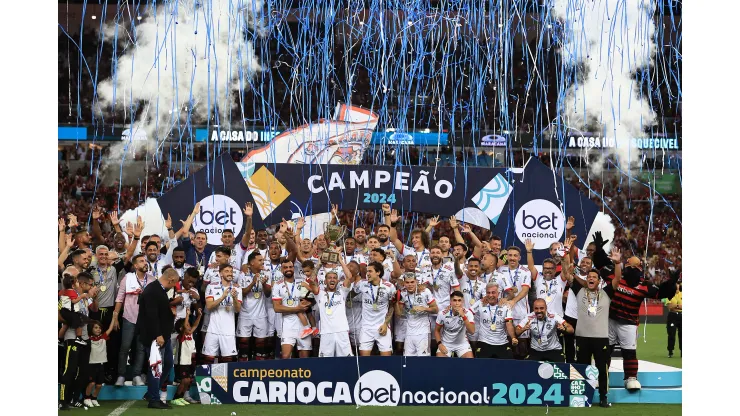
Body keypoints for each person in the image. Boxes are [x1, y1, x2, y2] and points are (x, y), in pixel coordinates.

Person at [564, 247, 623, 408]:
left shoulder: (606, 293)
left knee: (602, 370)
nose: (591, 278)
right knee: (581, 368)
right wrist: (565, 257)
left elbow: (617, 279)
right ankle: (581, 395)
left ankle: (603, 396)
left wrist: (617, 262)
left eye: (594, 277)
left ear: (599, 281)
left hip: (601, 338)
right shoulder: (579, 291)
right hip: (582, 337)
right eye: (589, 276)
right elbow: (568, 274)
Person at [137, 268, 180, 409]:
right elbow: (151, 315)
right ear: (171, 280)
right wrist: (158, 335)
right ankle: (154, 399)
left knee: (167, 363)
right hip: (155, 336)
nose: (174, 287)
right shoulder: (152, 291)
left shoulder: (158, 290)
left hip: (164, 335)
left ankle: (151, 392)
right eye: (174, 284)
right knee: (157, 366)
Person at [111, 253, 151, 387]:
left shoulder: (151, 279)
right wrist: (115, 317)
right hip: (129, 317)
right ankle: (121, 375)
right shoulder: (127, 278)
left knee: (140, 348)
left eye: (145, 261)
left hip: (144, 320)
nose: (145, 263)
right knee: (125, 347)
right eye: (141, 261)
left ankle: (136, 375)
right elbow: (119, 298)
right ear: (135, 265)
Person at [59, 273, 97, 411]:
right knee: (70, 370)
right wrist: (71, 321)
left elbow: (94, 310)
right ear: (82, 284)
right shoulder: (68, 295)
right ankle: (62, 400)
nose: (92, 287)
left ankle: (74, 399)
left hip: (85, 339)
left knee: (83, 372)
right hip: (72, 338)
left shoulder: (85, 299)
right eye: (90, 285)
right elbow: (58, 313)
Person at [308, 256, 357, 356]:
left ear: (338, 281)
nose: (332, 279)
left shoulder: (342, 292)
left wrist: (340, 260)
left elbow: (349, 277)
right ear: (325, 281)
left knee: (346, 361)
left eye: (335, 278)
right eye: (329, 278)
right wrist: (318, 264)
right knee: (325, 362)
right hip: (326, 333)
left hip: (342, 332)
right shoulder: (320, 294)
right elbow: (311, 281)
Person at [272, 259, 313, 359]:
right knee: (285, 356)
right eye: (285, 267)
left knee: (305, 358)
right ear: (281, 270)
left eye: (290, 267)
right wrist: (297, 308)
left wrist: (306, 303)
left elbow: (311, 299)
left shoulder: (301, 282)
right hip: (287, 324)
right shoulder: (277, 285)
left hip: (303, 325)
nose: (288, 269)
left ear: (293, 268)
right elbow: (277, 308)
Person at [354, 261, 397, 356]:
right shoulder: (361, 284)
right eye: (366, 271)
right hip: (366, 328)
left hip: (382, 327)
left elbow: (391, 306)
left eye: (370, 271)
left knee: (386, 360)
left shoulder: (389, 287)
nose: (367, 274)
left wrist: (386, 324)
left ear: (378, 272)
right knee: (364, 361)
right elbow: (350, 297)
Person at [202, 264, 242, 364]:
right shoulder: (211, 287)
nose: (230, 274)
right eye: (226, 271)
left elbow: (237, 310)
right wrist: (222, 297)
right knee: (208, 359)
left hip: (228, 331)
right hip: (213, 329)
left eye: (231, 271)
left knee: (228, 361)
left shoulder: (237, 289)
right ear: (220, 273)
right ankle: (207, 380)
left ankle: (224, 380)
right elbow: (209, 306)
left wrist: (234, 298)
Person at [498, 246, 532, 359]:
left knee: (521, 347)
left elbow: (525, 290)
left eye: (515, 255)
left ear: (519, 257)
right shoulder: (501, 270)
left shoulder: (525, 271)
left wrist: (513, 301)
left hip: (521, 313)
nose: (512, 258)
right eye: (510, 255)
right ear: (506, 256)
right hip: (505, 314)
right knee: (506, 346)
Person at [237, 251, 271, 361]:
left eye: (263, 260)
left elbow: (267, 294)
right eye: (260, 260)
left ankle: (259, 371)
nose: (263, 262)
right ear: (252, 262)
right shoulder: (242, 275)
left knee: (261, 345)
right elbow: (242, 293)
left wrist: (264, 283)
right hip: (245, 314)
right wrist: (253, 283)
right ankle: (243, 371)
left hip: (260, 314)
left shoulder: (266, 273)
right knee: (243, 344)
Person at [471, 282, 517, 359]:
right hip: (484, 342)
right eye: (488, 293)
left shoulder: (505, 306)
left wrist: (513, 338)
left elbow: (509, 324)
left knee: (509, 365)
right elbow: (467, 313)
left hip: (502, 343)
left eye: (493, 293)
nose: (490, 295)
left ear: (498, 294)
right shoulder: (481, 303)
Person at [396, 272, 438, 356]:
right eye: (407, 282)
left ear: (416, 282)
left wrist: (424, 308)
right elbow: (399, 314)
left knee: (423, 360)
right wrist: (396, 301)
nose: (410, 285)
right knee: (407, 360)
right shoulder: (403, 294)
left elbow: (435, 309)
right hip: (409, 332)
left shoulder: (425, 292)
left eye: (412, 282)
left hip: (423, 332)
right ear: (404, 283)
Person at [172, 307, 203, 406]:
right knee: (184, 380)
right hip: (181, 362)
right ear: (182, 329)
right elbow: (185, 326)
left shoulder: (190, 334)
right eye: (187, 325)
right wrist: (187, 315)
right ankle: (175, 398)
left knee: (188, 380)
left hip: (189, 362)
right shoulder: (181, 336)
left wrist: (199, 316)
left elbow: (195, 325)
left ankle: (181, 397)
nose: (189, 327)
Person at [435, 291, 476, 358]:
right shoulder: (442, 313)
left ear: (462, 302)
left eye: (459, 301)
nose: (457, 303)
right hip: (446, 344)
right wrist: (439, 344)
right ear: (450, 302)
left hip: (462, 344)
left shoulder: (468, 313)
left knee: (470, 364)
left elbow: (472, 331)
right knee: (440, 364)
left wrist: (463, 316)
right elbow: (437, 331)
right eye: (454, 300)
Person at [84, 320, 114, 407]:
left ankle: (94, 398)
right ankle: (87, 398)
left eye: (100, 328)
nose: (98, 329)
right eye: (96, 327)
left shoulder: (103, 337)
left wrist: (115, 316)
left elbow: (110, 328)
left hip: (100, 364)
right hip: (91, 364)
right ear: (91, 329)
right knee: (92, 383)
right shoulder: (88, 338)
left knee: (99, 385)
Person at [666, 280, 682, 358]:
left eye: (678, 288)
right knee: (671, 334)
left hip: (681, 316)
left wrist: (675, 306)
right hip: (672, 316)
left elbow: (673, 306)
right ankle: (670, 351)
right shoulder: (669, 295)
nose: (677, 290)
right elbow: (669, 307)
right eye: (675, 288)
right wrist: (679, 306)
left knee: (682, 334)